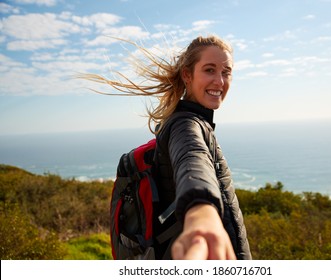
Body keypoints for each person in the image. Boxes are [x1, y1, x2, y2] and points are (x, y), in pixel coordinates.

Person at [83, 35, 251, 260]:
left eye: (226, 72)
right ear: (187, 75)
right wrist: (202, 213)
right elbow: (192, 160)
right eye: (209, 70)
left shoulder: (187, 120)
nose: (220, 81)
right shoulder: (185, 125)